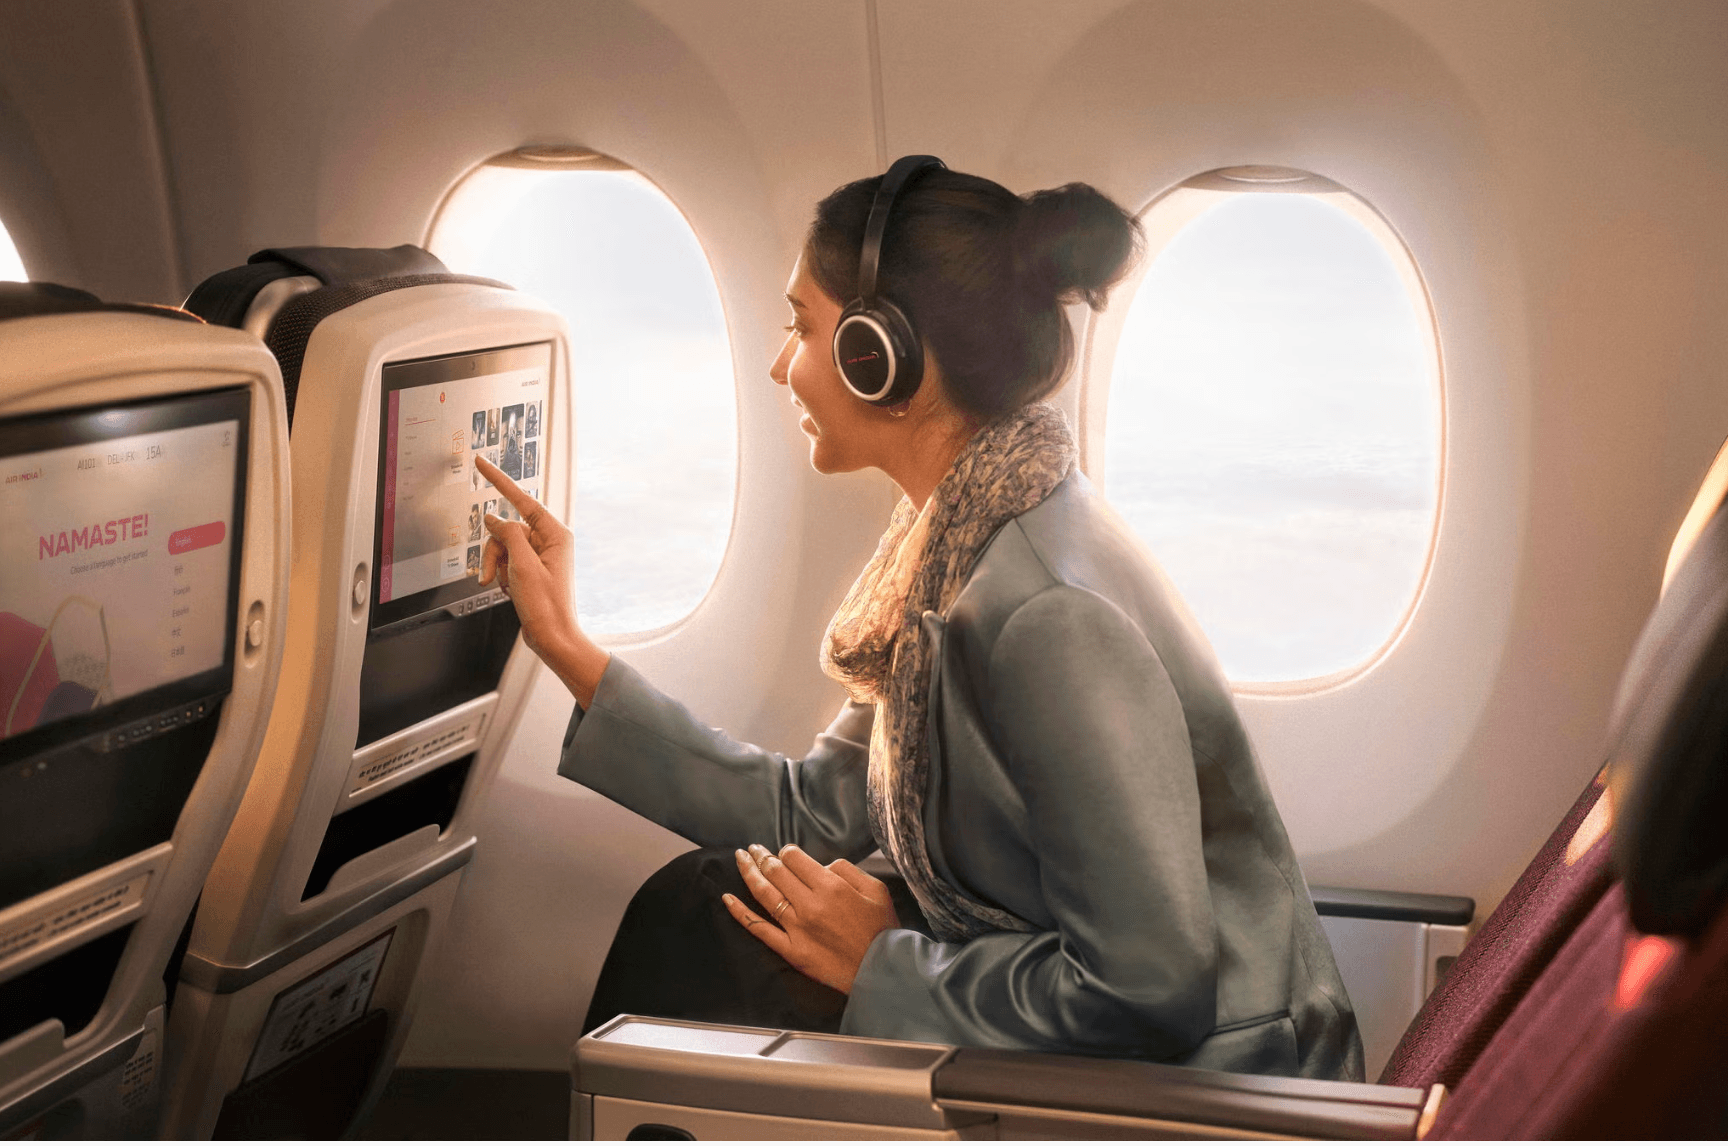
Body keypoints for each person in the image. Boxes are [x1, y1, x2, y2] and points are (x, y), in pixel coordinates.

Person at [472, 157, 1363, 1081]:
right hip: (1116, 1034)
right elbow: (808, 812)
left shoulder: (1048, 620)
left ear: (878, 352)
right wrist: (567, 647)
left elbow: (1149, 988)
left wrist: (885, 963)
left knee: (719, 950)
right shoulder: (949, 549)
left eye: (801, 327)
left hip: (1222, 1085)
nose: (781, 365)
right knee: (707, 902)